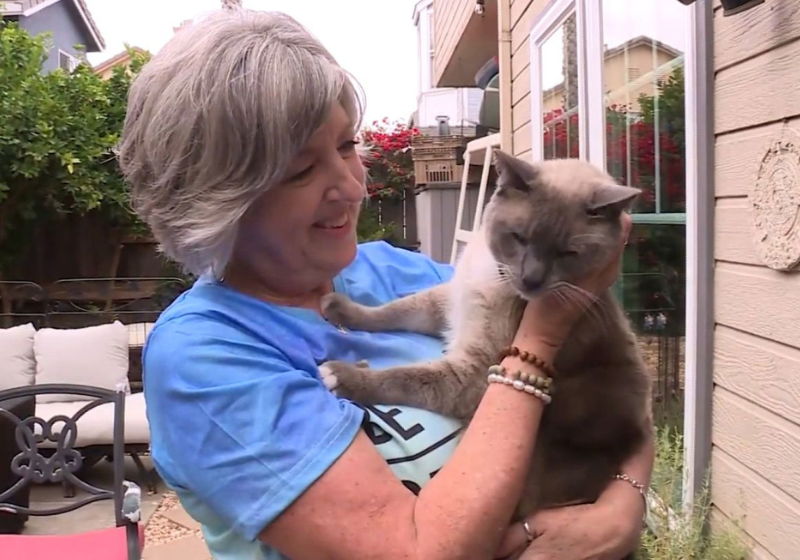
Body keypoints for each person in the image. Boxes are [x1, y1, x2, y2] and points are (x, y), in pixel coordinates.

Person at [118, 8, 653, 560]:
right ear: (219, 199)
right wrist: (540, 342)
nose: (351, 187)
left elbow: (616, 394)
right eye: (302, 170)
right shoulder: (205, 358)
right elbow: (418, 551)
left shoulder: (396, 273)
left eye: (348, 146)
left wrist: (622, 508)